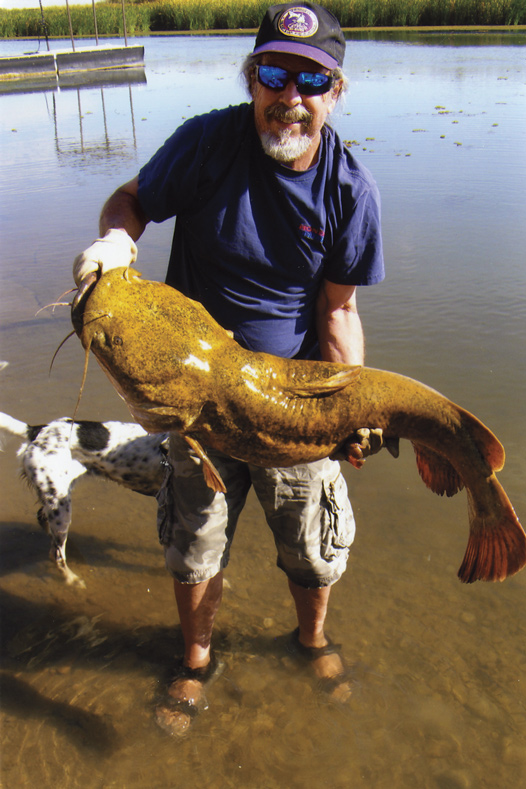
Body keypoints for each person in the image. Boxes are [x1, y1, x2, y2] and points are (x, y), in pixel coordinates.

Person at [73, 2, 386, 736]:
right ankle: (195, 658)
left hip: (293, 403)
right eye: (275, 74)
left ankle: (310, 638)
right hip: (195, 400)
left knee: (310, 543)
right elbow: (132, 201)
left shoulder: (350, 190)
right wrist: (117, 244)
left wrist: (354, 409)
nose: (292, 97)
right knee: (196, 539)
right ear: (253, 80)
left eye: (312, 80)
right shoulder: (208, 144)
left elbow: (337, 312)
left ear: (336, 92)